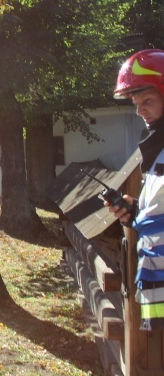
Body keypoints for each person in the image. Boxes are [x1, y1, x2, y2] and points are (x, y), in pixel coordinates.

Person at [106, 48, 164, 331]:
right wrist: (134, 213)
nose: (140, 110)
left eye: (148, 100)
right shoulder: (157, 154)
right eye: (136, 102)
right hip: (157, 295)